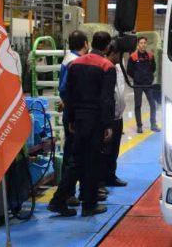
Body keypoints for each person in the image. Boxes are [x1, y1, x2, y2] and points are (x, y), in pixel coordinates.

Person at [63, 31, 116, 217]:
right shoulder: (107, 66)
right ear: (107, 46)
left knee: (76, 160)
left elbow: (68, 94)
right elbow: (106, 99)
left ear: (91, 43)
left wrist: (70, 118)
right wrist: (108, 124)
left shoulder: (75, 63)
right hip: (95, 120)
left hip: (78, 118)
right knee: (93, 162)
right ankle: (89, 205)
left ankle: (59, 200)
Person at [48, 30, 91, 217]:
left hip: (70, 113)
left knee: (72, 155)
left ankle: (70, 193)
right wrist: (70, 107)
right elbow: (66, 88)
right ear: (86, 43)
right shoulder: (75, 62)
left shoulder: (69, 59)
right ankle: (67, 195)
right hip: (74, 115)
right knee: (73, 156)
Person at [102, 40, 128, 188]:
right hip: (108, 116)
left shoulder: (119, 65)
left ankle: (111, 176)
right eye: (119, 54)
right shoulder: (104, 66)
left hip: (118, 116)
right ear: (112, 52)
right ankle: (100, 181)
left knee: (114, 150)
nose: (121, 57)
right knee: (105, 150)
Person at [127, 36, 160, 134]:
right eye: (141, 43)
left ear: (146, 44)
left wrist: (149, 77)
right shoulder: (133, 57)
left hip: (148, 84)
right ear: (138, 44)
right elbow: (129, 71)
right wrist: (137, 77)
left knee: (153, 104)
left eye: (145, 43)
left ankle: (153, 124)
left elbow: (153, 68)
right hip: (138, 85)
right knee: (138, 105)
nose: (143, 45)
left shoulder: (150, 56)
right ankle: (139, 126)